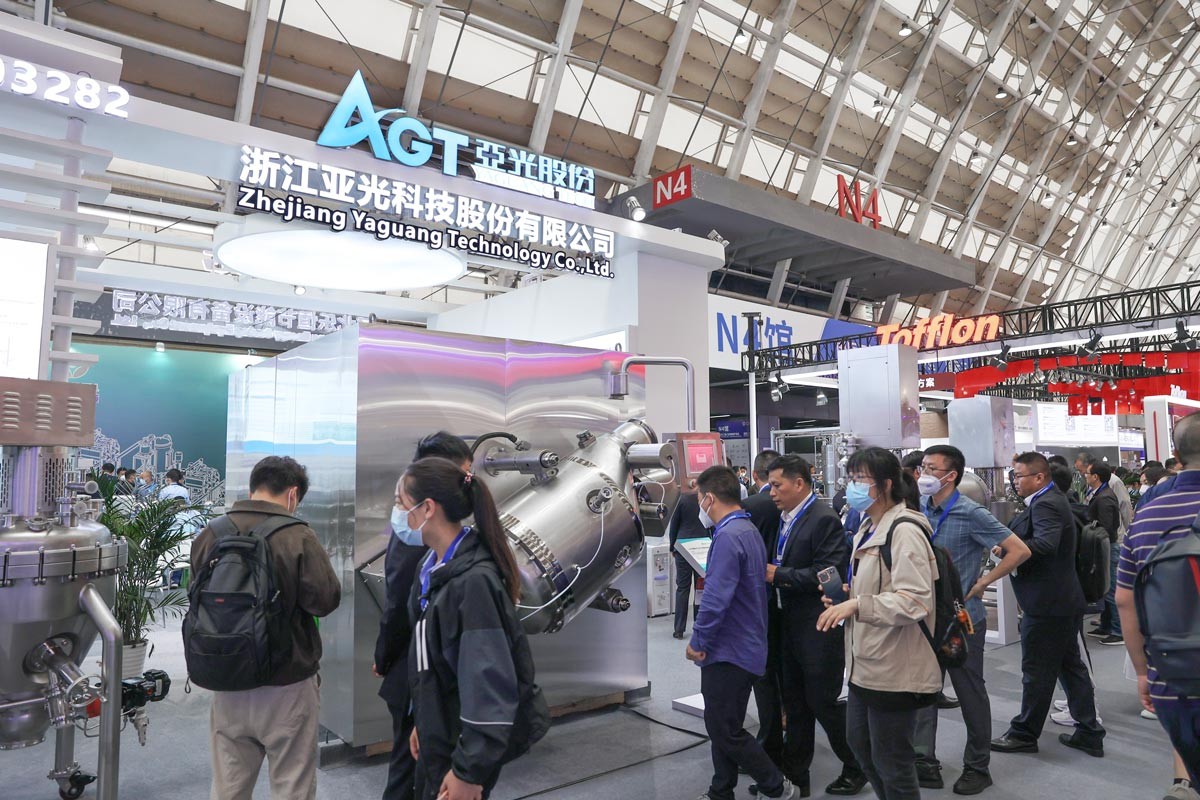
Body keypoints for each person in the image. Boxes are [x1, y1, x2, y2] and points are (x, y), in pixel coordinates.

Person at [191, 455, 340, 800]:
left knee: (228, 786)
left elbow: (195, 595)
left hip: (225, 677)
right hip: (287, 681)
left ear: (252, 489)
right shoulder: (297, 535)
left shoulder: (211, 533)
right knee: (291, 785)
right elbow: (325, 600)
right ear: (292, 494)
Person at [404, 457, 548, 800]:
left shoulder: (473, 583)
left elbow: (488, 685)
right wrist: (423, 719)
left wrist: (468, 772)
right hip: (441, 732)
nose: (397, 514)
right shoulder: (433, 568)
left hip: (462, 750)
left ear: (428, 509)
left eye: (401, 503)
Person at [816, 447, 939, 800]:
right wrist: (847, 596)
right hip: (865, 661)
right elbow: (880, 587)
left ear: (885, 484)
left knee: (892, 760)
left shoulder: (905, 530)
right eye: (851, 478)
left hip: (895, 665)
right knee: (861, 746)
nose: (852, 486)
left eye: (860, 479)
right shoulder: (869, 526)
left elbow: (915, 600)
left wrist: (858, 604)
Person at [912, 446, 1031, 795]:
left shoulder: (970, 512)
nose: (923, 475)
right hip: (923, 620)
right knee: (924, 692)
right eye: (922, 468)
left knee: (970, 693)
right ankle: (924, 762)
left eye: (931, 469)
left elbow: (1019, 550)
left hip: (962, 621)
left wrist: (982, 583)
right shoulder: (917, 510)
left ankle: (977, 766)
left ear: (951, 476)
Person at [687, 466, 796, 800]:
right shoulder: (746, 529)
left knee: (724, 728)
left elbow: (716, 597)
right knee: (723, 722)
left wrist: (698, 640)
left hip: (728, 649)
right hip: (746, 643)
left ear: (708, 498)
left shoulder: (728, 536)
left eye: (699, 498)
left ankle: (776, 786)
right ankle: (721, 791)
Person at [374, 432, 473, 800]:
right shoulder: (425, 547)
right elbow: (402, 608)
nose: (400, 512)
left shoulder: (465, 566)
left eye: (403, 502)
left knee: (415, 771)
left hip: (430, 681)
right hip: (419, 680)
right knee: (411, 768)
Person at [991, 453, 1105, 758]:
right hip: (1058, 601)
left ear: (1039, 477)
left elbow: (1045, 544)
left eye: (1019, 476)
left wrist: (1009, 550)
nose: (1014, 482)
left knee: (1037, 671)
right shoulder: (1049, 500)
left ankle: (1024, 734)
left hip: (1048, 604)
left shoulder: (1047, 504)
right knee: (1070, 668)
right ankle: (1089, 732)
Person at [764, 455, 865, 796]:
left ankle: (857, 765)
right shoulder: (782, 518)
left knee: (823, 702)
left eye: (777, 485)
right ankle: (796, 775)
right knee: (794, 702)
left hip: (818, 626)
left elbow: (828, 573)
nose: (772, 492)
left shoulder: (823, 519)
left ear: (799, 483)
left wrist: (779, 575)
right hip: (787, 623)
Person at [1118, 414, 1200, 787]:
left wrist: (1141, 671)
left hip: (1173, 674)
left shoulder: (1148, 515)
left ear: (1177, 457)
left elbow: (1125, 600)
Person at [742, 449, 784, 767]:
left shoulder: (751, 507)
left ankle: (768, 744)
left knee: (763, 675)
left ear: (755, 475)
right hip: (789, 598)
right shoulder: (793, 508)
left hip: (759, 599)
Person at [1084, 463, 1123, 646]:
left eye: (1087, 473)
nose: (1085, 476)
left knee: (1110, 588)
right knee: (1104, 589)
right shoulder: (1101, 494)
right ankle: (1106, 626)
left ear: (1096, 476)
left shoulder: (1105, 497)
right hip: (1104, 547)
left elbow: (1107, 526)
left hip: (1107, 548)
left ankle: (1118, 631)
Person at [669, 490, 709, 639]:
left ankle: (679, 629)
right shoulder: (707, 498)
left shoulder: (681, 499)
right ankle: (699, 626)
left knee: (682, 588)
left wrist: (672, 546)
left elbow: (674, 525)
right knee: (700, 589)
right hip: (702, 546)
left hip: (683, 546)